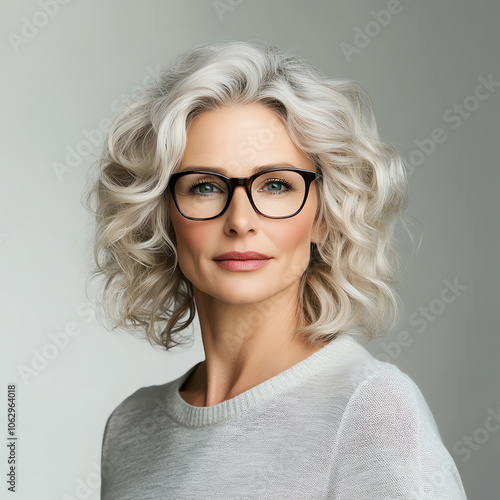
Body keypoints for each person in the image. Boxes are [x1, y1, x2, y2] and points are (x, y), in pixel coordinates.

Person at [83, 40, 467, 499]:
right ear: (162, 214)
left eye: (276, 185)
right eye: (205, 186)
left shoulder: (371, 409)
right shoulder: (131, 427)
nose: (240, 221)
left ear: (323, 217)